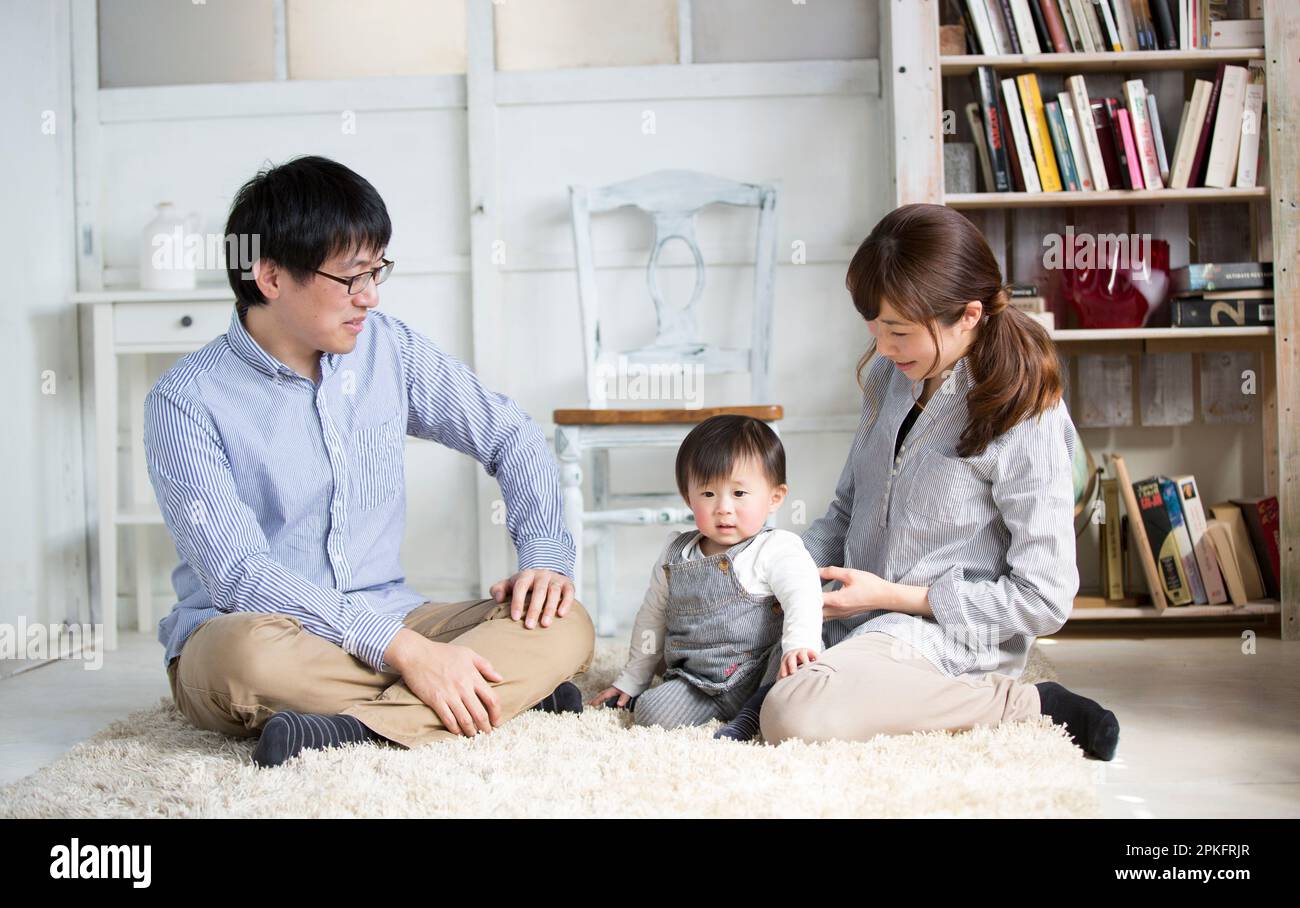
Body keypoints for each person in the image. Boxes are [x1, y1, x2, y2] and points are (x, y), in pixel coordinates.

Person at [144, 155, 594, 767]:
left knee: (564, 623)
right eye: (352, 277)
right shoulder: (186, 400)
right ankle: (489, 694)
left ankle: (351, 732)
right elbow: (238, 576)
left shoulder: (389, 349)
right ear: (270, 276)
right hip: (264, 632)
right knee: (241, 663)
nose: (371, 296)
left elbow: (510, 434)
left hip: (394, 612)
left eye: (378, 271)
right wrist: (406, 652)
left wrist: (544, 559)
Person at [760, 203, 1121, 760]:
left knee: (794, 713)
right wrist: (779, 570)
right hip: (858, 613)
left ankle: (1026, 706)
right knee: (720, 643)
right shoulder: (890, 377)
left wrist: (895, 598)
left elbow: (1045, 599)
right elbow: (847, 506)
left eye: (898, 331)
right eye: (874, 328)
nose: (882, 347)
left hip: (944, 634)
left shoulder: (1025, 413)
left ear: (969, 316)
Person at [590, 415, 823, 741]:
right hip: (698, 680)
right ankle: (710, 706)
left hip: (761, 673)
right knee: (650, 713)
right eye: (709, 494)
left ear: (774, 497)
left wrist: (800, 644)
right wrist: (633, 679)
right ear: (688, 497)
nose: (724, 508)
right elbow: (651, 618)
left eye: (740, 493)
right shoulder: (675, 552)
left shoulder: (776, 547)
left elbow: (804, 596)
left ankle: (752, 715)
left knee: (792, 666)